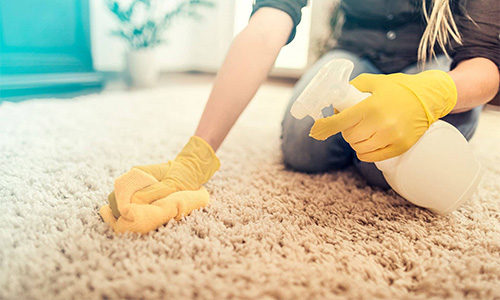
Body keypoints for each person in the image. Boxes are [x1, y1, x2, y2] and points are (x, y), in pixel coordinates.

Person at [103, 0, 500, 233]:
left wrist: (433, 93)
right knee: (302, 146)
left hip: (432, 60)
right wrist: (197, 153)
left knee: (383, 168)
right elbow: (265, 29)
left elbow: (485, 63)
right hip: (355, 52)